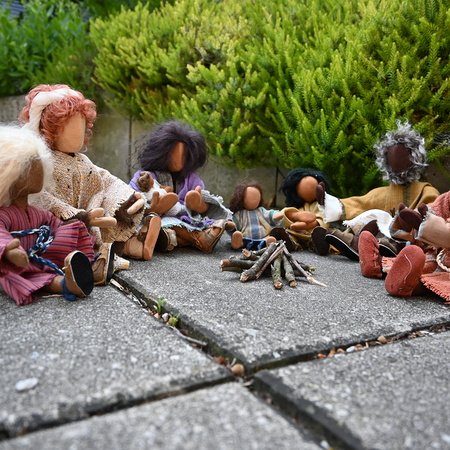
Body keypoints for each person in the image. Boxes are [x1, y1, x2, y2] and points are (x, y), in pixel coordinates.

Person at [19, 84, 160, 264]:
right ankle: (109, 252)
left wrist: (128, 200)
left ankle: (130, 246)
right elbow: (38, 196)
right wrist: (75, 215)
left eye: (82, 126)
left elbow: (104, 179)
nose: (78, 134)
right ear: (48, 129)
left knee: (110, 221)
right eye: (70, 128)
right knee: (74, 239)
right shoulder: (43, 162)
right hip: (60, 226)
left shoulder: (82, 160)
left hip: (94, 217)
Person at [315, 120, 440, 260]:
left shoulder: (424, 190)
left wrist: (411, 219)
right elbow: (360, 203)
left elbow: (434, 208)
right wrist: (329, 202)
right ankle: (351, 242)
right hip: (379, 233)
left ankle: (370, 245)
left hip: (405, 238)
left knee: (392, 230)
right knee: (373, 218)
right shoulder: (381, 192)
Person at [0, 125, 96, 305]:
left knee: (71, 230)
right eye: (30, 166)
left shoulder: (36, 212)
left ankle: (90, 266)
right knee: (33, 277)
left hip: (42, 256)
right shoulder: (4, 215)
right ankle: (67, 284)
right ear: (10, 174)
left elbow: (54, 224)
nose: (39, 170)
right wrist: (9, 250)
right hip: (20, 266)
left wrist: (73, 229)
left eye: (39, 164)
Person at [130, 120, 233, 253]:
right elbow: (133, 197)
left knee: (181, 226)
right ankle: (199, 239)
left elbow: (203, 199)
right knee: (160, 224)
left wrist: (198, 204)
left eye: (183, 155)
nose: (178, 159)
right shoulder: (146, 176)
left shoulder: (191, 179)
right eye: (172, 153)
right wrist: (152, 208)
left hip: (185, 219)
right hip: (155, 220)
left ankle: (172, 240)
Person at [359, 191, 450, 303]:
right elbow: (437, 207)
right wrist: (415, 217)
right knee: (422, 263)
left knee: (440, 280)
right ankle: (377, 265)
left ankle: (409, 285)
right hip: (440, 254)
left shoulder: (424, 189)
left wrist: (432, 227)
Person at [228, 180, 282, 250]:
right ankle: (239, 243)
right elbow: (234, 222)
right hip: (246, 237)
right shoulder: (240, 214)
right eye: (250, 198)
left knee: (267, 239)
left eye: (256, 198)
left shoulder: (261, 211)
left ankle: (268, 243)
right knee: (241, 238)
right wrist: (229, 224)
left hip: (264, 236)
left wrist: (275, 215)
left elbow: (269, 214)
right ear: (240, 199)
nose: (254, 200)